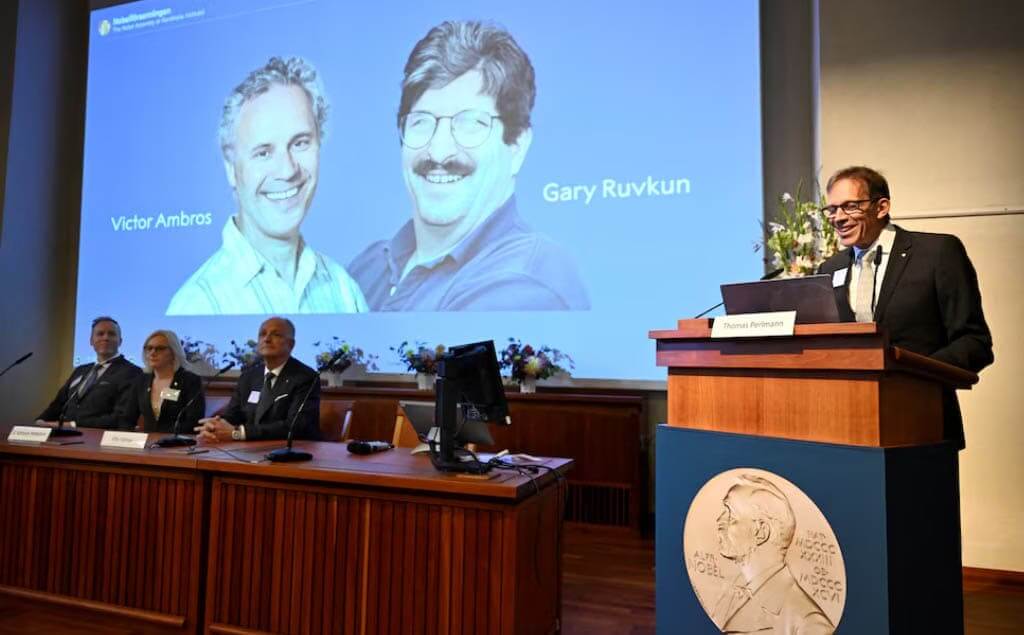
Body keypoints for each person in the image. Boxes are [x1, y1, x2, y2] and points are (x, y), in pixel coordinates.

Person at [348, 20, 590, 311]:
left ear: (517, 146)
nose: (439, 150)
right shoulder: (368, 266)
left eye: (470, 123)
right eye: (421, 121)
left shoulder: (525, 281)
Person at [167, 56, 367, 315]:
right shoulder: (197, 304)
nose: (287, 170)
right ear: (231, 168)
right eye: (263, 152)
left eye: (300, 143)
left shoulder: (343, 289)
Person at [816, 166, 993, 448]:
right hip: (846, 428)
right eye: (832, 209)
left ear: (881, 206)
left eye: (850, 206)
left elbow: (974, 342)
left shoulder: (937, 253)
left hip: (922, 421)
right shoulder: (831, 267)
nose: (838, 218)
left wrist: (913, 376)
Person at [711, 476, 834, 635]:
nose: (719, 521)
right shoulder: (730, 595)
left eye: (731, 515)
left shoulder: (809, 625)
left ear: (761, 532)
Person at [195, 316, 320, 442]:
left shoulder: (306, 378)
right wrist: (215, 425)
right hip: (248, 450)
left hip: (287, 451)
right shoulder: (248, 377)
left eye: (276, 334)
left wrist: (239, 433)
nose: (267, 339)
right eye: (262, 334)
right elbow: (232, 416)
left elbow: (296, 426)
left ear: (291, 344)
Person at [36, 316, 142, 429]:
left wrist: (73, 425)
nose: (105, 337)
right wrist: (40, 421)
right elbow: (58, 404)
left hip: (96, 438)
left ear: (120, 341)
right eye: (100, 334)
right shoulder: (80, 370)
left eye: (111, 334)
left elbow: (121, 418)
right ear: (91, 341)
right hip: (62, 435)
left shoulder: (132, 372)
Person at [112, 330, 205, 433]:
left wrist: (163, 438)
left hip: (177, 444)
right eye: (149, 348)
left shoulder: (190, 381)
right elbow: (127, 418)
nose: (152, 353)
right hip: (147, 444)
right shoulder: (141, 381)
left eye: (160, 348)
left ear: (174, 352)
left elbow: (193, 421)